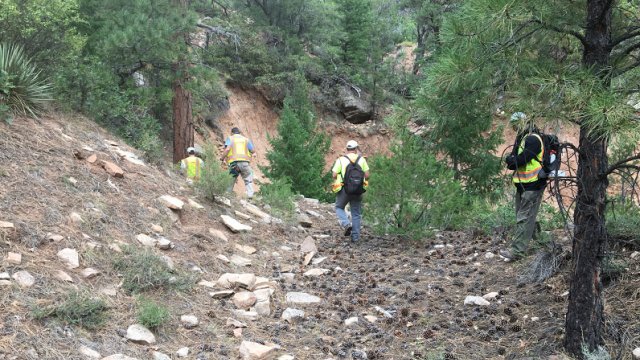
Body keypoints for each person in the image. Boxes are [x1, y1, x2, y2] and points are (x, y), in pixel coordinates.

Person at [501, 112, 547, 261]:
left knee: (524, 217)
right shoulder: (522, 138)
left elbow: (519, 160)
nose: (514, 127)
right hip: (523, 185)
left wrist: (512, 159)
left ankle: (517, 251)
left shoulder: (533, 139)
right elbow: (513, 162)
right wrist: (512, 160)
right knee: (526, 217)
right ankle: (546, 243)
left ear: (523, 122)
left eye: (515, 124)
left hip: (533, 185)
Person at [332, 140, 370, 243]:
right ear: (356, 149)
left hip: (344, 190)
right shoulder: (362, 160)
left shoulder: (341, 160)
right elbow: (367, 176)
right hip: (358, 190)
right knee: (356, 214)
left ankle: (346, 224)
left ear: (347, 149)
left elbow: (334, 175)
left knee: (339, 207)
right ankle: (355, 238)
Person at [220, 127, 255, 198]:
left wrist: (222, 158)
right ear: (239, 133)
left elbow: (227, 149)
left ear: (232, 133)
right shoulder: (246, 140)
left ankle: (227, 195)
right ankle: (250, 195)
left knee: (231, 179)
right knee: (248, 178)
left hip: (234, 163)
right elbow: (253, 151)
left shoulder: (230, 138)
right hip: (245, 163)